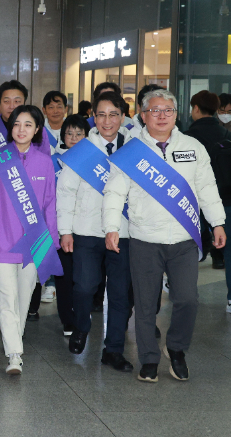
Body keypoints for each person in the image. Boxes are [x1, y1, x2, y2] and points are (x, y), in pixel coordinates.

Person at [103, 89, 226, 383]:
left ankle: (177, 348)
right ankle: (148, 359)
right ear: (143, 115)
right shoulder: (131, 151)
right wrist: (111, 227)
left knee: (188, 299)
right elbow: (114, 192)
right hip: (145, 238)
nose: (161, 116)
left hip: (184, 239)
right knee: (146, 305)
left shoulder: (193, 147)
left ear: (176, 114)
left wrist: (218, 222)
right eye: (154, 110)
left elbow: (207, 189)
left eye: (167, 110)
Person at [0, 105, 61, 375]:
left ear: (37, 129)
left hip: (34, 242)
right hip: (1, 241)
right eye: (16, 124)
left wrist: (52, 241)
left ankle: (15, 344)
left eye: (28, 124)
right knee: (6, 297)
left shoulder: (45, 162)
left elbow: (50, 204)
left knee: (24, 298)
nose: (21, 129)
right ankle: (14, 355)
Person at [57, 92, 135, 371]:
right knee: (85, 287)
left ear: (123, 117)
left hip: (123, 234)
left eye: (113, 114)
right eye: (100, 115)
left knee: (119, 295)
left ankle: (113, 350)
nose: (107, 121)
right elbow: (65, 192)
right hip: (86, 231)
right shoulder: (83, 149)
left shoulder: (135, 148)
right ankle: (81, 326)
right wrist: (65, 230)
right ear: (93, 117)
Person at [184, 91, 231, 277]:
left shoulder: (187, 138)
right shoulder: (226, 133)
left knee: (189, 250)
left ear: (195, 108)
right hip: (226, 198)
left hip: (194, 201)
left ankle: (180, 286)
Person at [51, 114, 90, 336]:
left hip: (86, 228)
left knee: (83, 277)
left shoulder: (96, 161)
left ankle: (83, 313)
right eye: (69, 133)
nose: (74, 138)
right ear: (62, 136)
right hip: (61, 228)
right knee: (64, 276)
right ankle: (67, 318)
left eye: (79, 133)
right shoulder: (53, 160)